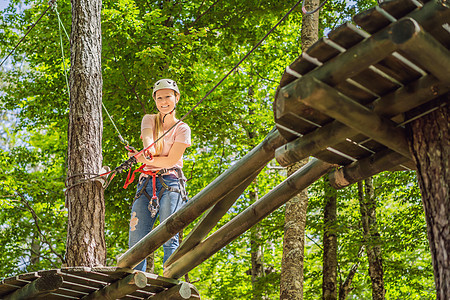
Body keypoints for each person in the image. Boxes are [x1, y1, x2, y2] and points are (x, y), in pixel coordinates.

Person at [128, 78, 191, 272]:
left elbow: (171, 161)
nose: (164, 101)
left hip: (171, 183)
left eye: (168, 97)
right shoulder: (149, 119)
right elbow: (149, 142)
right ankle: (134, 281)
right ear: (155, 100)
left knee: (168, 233)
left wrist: (144, 160)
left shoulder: (182, 129)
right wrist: (147, 151)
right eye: (159, 98)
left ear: (176, 98)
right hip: (146, 183)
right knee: (136, 239)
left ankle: (170, 278)